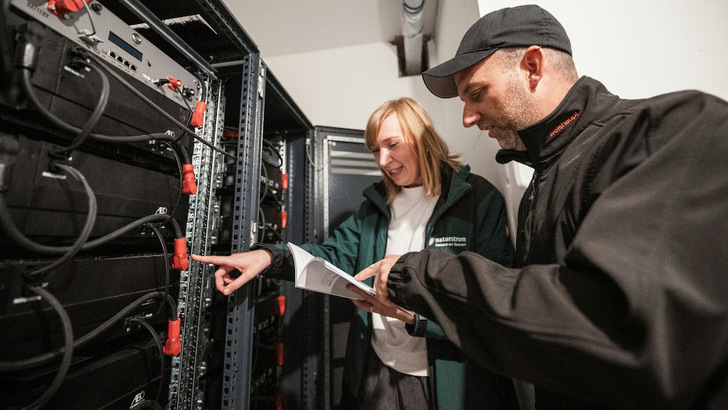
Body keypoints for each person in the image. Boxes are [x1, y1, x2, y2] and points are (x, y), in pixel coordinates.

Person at [352, 5, 728, 410]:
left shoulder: (668, 132)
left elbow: (622, 327)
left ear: (533, 66)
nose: (467, 118)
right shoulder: (541, 182)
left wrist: (421, 273)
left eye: (476, 94)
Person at [192, 97, 521, 409]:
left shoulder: (477, 200)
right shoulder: (375, 208)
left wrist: (411, 316)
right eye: (375, 150)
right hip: (379, 371)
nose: (381, 160)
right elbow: (331, 255)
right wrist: (267, 256)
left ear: (424, 139)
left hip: (450, 380)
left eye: (392, 145)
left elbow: (492, 301)